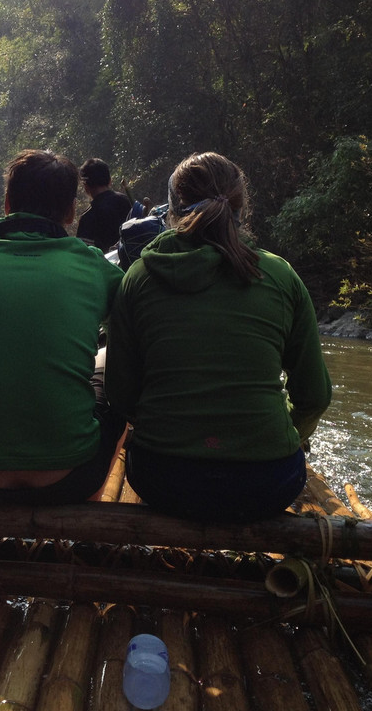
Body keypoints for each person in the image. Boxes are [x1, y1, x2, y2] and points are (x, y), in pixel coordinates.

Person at [106, 151, 331, 521]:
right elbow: (315, 396)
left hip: (163, 479)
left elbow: (121, 394)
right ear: (242, 206)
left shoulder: (140, 276)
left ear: (171, 209)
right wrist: (283, 434)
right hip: (267, 482)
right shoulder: (280, 275)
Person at [0, 149, 126, 504]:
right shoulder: (95, 267)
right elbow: (131, 337)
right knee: (113, 362)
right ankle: (95, 498)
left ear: (7, 204)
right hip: (71, 479)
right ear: (71, 212)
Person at [76, 158, 133, 252]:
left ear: (86, 186)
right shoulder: (126, 201)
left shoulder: (87, 218)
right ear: (110, 180)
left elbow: (83, 254)